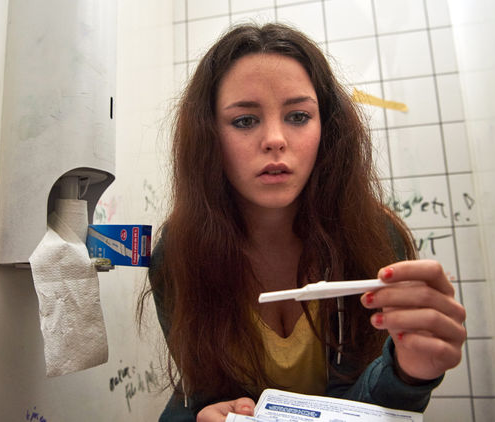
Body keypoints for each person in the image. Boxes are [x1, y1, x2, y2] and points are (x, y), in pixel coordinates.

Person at [140, 23, 467, 422]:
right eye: (244, 121)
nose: (275, 139)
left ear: (326, 127)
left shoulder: (374, 238)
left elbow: (365, 406)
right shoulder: (178, 254)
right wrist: (207, 415)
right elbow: (200, 395)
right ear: (208, 135)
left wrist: (408, 372)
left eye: (298, 116)